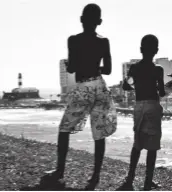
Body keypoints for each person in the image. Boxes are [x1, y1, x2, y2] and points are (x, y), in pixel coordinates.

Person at [40, 3, 116, 190]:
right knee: (99, 133)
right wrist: (93, 66)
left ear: (81, 20)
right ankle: (95, 176)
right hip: (99, 86)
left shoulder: (73, 40)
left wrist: (79, 64)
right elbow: (107, 69)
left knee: (65, 128)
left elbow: (72, 67)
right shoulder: (103, 41)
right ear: (99, 22)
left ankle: (59, 172)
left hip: (83, 88)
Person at [117, 34, 165, 191]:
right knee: (152, 147)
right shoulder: (158, 69)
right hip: (152, 105)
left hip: (138, 106)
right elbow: (162, 92)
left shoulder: (134, 68)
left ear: (140, 49)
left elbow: (125, 86)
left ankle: (130, 179)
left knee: (137, 143)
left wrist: (135, 86)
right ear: (156, 51)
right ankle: (147, 182)